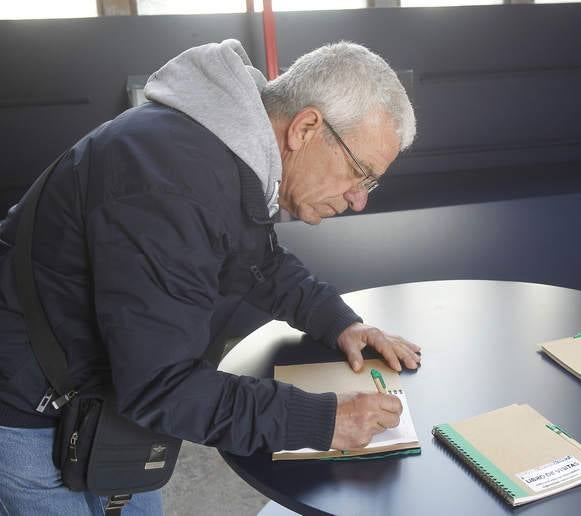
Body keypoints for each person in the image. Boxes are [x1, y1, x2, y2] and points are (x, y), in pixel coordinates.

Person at [0, 39, 420, 515]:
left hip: (101, 395)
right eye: (359, 173)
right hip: (28, 406)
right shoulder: (167, 179)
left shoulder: (227, 152)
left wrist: (338, 321)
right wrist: (322, 420)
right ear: (306, 128)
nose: (358, 199)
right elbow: (162, 385)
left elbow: (257, 260)